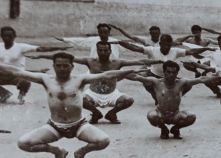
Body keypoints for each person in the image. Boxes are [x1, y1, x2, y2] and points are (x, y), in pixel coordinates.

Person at [0, 53, 140, 158]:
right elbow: (16, 71)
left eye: (65, 66)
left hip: (79, 124)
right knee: (23, 143)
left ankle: (80, 153)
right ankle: (57, 152)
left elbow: (107, 75)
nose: (62, 69)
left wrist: (129, 70)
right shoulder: (46, 79)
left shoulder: (80, 79)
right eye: (58, 66)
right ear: (54, 66)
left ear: (72, 66)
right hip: (55, 125)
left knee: (103, 141)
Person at [27, 41, 162, 124]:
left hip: (112, 94)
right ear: (97, 51)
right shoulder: (90, 61)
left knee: (128, 100)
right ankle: (96, 113)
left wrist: (159, 61)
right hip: (93, 94)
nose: (103, 52)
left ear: (110, 51)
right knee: (79, 99)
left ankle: (112, 113)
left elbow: (140, 61)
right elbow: (67, 57)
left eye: (105, 50)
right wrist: (40, 55)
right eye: (100, 50)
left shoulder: (118, 62)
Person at [0, 26, 70, 104]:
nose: (7, 38)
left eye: (10, 36)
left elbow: (41, 48)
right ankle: (2, 95)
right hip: (1, 75)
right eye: (4, 36)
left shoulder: (21, 47)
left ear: (14, 36)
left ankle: (21, 96)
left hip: (17, 76)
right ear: (1, 36)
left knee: (26, 81)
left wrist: (58, 47)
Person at [126, 61, 221, 139]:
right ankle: (163, 129)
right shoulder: (156, 82)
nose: (171, 75)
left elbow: (201, 79)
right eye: (168, 72)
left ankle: (176, 129)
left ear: (177, 73)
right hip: (160, 113)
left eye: (174, 72)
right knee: (151, 116)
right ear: (164, 72)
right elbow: (135, 77)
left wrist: (220, 78)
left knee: (191, 117)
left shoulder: (181, 82)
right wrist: (128, 72)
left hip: (175, 114)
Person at [114, 34, 216, 103]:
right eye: (164, 45)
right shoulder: (152, 50)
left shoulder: (175, 51)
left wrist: (206, 48)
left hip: (170, 77)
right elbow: (135, 47)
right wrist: (119, 42)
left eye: (169, 45)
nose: (167, 47)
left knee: (188, 85)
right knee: (147, 84)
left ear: (171, 44)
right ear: (160, 44)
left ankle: (173, 98)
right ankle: (157, 97)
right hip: (154, 76)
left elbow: (192, 52)